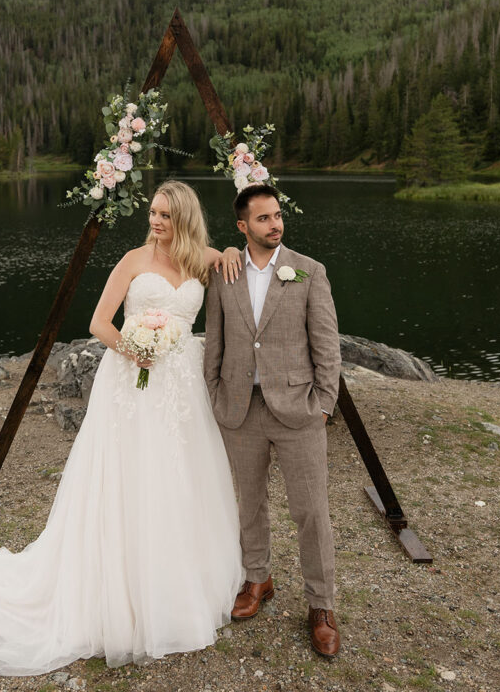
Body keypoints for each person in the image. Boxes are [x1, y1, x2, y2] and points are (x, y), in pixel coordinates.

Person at [0, 180, 244, 675]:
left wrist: (231, 248)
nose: (155, 222)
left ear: (184, 218)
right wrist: (135, 348)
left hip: (182, 386)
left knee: (181, 476)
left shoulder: (200, 259)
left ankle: (178, 585)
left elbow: (230, 253)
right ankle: (120, 594)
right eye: (152, 213)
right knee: (128, 476)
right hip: (132, 379)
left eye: (165, 215)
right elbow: (100, 322)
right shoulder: (132, 260)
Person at [204, 183, 342, 658]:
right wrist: (216, 394)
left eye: (277, 215)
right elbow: (214, 342)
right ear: (242, 226)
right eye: (263, 218)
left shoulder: (308, 271)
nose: (275, 224)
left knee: (310, 512)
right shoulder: (224, 273)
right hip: (240, 409)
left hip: (299, 410)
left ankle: (321, 606)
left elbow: (327, 344)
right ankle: (257, 580)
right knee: (250, 504)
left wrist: (324, 403)